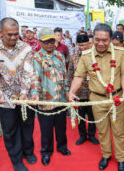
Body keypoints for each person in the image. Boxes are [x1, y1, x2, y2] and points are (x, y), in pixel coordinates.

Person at [69, 23, 124, 171]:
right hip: (97, 99)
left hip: (117, 98)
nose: (101, 43)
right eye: (97, 40)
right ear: (93, 39)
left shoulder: (120, 53)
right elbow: (78, 76)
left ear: (110, 39)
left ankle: (121, 159)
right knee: (102, 131)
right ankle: (106, 155)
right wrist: (72, 92)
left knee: (119, 131)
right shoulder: (86, 56)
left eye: (105, 40)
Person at [0, 17, 36, 171]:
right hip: (4, 99)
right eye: (9, 34)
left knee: (27, 124)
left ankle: (28, 151)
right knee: (10, 130)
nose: (13, 38)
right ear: (1, 32)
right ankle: (16, 160)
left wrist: (24, 93)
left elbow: (28, 72)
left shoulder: (26, 48)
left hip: (24, 97)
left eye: (16, 34)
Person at [30, 28, 71, 166]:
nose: (49, 44)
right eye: (46, 41)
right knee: (46, 129)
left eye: (52, 41)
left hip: (60, 100)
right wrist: (35, 94)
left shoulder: (60, 55)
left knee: (61, 126)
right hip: (45, 100)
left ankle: (62, 147)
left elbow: (64, 76)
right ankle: (46, 152)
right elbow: (35, 77)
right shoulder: (37, 57)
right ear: (40, 42)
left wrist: (67, 91)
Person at [68, 34, 99, 146]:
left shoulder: (95, 56)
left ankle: (91, 135)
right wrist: (70, 91)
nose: (83, 47)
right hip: (79, 93)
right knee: (80, 116)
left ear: (89, 44)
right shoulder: (74, 57)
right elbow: (70, 74)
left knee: (92, 115)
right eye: (80, 45)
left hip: (93, 92)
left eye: (85, 45)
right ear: (77, 45)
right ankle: (82, 135)